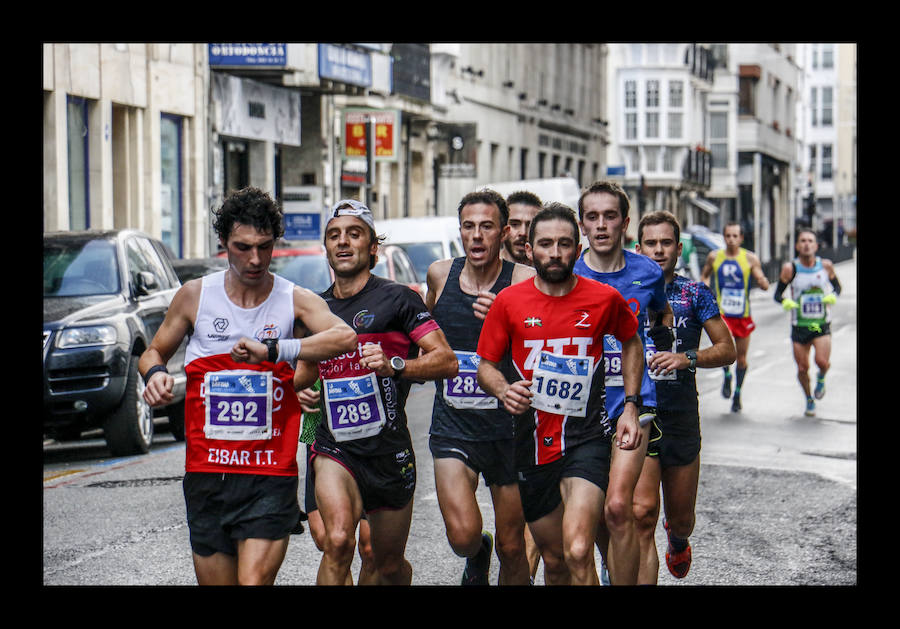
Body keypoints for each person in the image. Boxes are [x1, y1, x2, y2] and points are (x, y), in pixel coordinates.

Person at [138, 186, 357, 585]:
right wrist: (154, 376)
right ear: (223, 243)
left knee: (253, 582)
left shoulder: (295, 299)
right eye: (243, 247)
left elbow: (344, 337)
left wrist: (275, 349)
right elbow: (152, 353)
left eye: (265, 246)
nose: (255, 259)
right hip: (207, 473)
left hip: (269, 474)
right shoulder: (194, 297)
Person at [476, 203, 644, 585]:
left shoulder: (603, 299)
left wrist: (630, 406)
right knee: (555, 560)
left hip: (587, 439)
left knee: (579, 549)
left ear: (578, 246)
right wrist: (504, 389)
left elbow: (631, 341)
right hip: (532, 444)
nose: (555, 253)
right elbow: (485, 365)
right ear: (529, 249)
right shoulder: (509, 302)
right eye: (546, 244)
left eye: (564, 244)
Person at [293, 199, 458, 586]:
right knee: (336, 542)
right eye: (334, 235)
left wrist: (394, 365)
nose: (343, 242)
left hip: (387, 448)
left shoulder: (399, 299)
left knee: (385, 564)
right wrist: (299, 392)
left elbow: (446, 361)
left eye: (354, 234)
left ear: (373, 249)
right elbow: (298, 375)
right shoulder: (314, 309)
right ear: (327, 248)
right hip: (333, 445)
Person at [426, 189, 535, 586]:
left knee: (513, 547)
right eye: (469, 227)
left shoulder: (524, 279)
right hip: (455, 424)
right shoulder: (440, 274)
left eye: (486, 227)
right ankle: (476, 552)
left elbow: (543, 339)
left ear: (503, 232)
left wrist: (511, 316)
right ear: (460, 230)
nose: (476, 236)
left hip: (510, 431)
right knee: (462, 536)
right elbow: (427, 337)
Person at [572, 181, 673, 586]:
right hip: (582, 406)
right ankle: (614, 566)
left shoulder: (646, 271)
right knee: (596, 514)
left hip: (634, 401)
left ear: (624, 223)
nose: (601, 225)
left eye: (609, 216)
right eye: (592, 217)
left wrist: (660, 347)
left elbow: (661, 311)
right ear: (581, 225)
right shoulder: (569, 271)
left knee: (619, 506)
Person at [633, 211, 736, 582]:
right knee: (642, 514)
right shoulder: (623, 293)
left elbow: (727, 349)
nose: (658, 250)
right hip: (639, 415)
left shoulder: (695, 293)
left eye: (666, 243)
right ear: (637, 247)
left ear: (678, 249)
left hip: (681, 417)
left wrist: (686, 357)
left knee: (681, 519)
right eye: (651, 243)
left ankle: (677, 540)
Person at [501, 190, 544, 584]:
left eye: (530, 224)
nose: (521, 232)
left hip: (546, 421)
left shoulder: (560, 277)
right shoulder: (480, 279)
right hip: (489, 423)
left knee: (530, 534)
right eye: (514, 223)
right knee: (507, 539)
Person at [297, 380, 375, 584]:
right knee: (328, 539)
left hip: (373, 442)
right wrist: (293, 385)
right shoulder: (310, 347)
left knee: (371, 548)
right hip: (320, 436)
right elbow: (280, 362)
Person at [701, 222, 770, 412]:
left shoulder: (749, 258)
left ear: (740, 238)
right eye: (728, 236)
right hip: (723, 314)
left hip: (742, 314)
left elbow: (759, 276)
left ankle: (738, 393)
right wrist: (705, 287)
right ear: (724, 237)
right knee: (724, 351)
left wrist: (763, 282)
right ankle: (726, 375)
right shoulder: (715, 256)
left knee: (741, 359)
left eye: (734, 236)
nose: (731, 239)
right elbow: (705, 276)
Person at [773, 228, 842, 417]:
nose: (806, 244)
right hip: (799, 325)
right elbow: (777, 294)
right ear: (797, 246)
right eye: (802, 240)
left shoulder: (825, 266)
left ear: (816, 245)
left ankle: (821, 377)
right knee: (803, 368)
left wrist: (832, 296)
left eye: (810, 240)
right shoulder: (790, 268)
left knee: (822, 362)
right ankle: (809, 399)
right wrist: (786, 301)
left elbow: (837, 287)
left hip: (821, 324)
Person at [501, 190, 543, 266]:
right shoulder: (485, 269)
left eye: (530, 225)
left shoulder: (549, 273)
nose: (523, 233)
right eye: (515, 224)